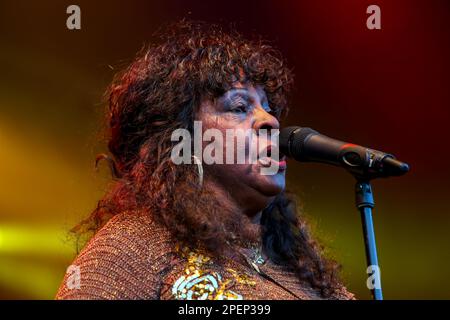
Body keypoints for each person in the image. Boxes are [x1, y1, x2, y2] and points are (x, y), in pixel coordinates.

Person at [56, 21, 354, 300]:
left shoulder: (303, 271)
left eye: (267, 107)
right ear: (182, 139)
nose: (270, 122)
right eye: (239, 107)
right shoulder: (137, 244)